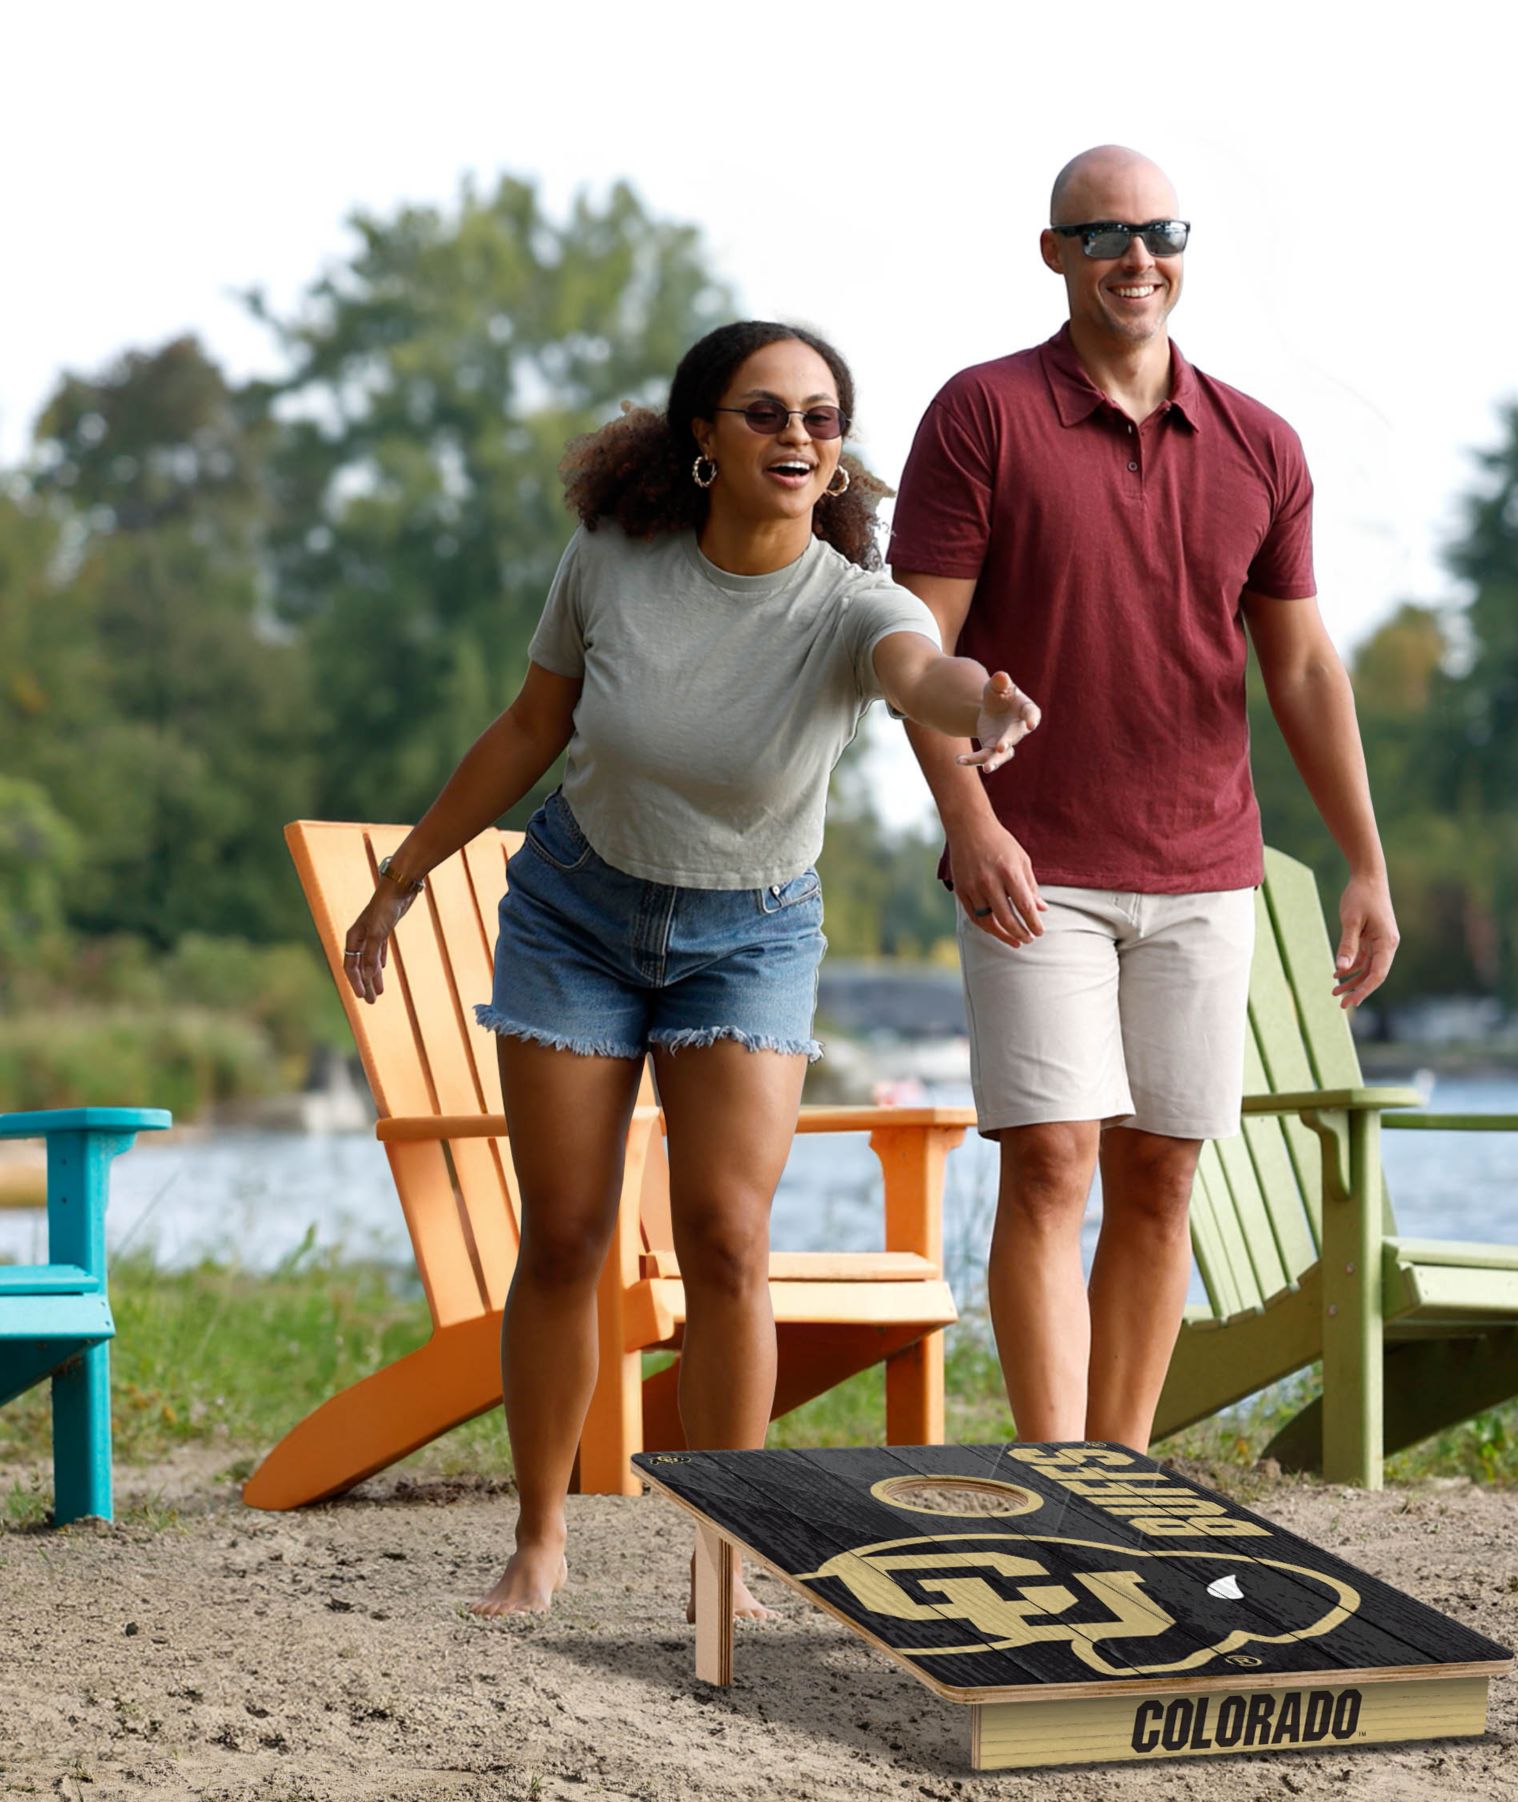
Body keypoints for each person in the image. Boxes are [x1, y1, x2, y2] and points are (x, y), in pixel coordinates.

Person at [341, 320, 1040, 1617]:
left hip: (751, 935)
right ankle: (540, 1539)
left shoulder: (853, 602)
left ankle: (728, 1553)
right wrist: (406, 876)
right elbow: (530, 727)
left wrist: (980, 707)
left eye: (821, 420)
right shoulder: (613, 561)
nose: (796, 438)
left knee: (728, 1240)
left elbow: (919, 675)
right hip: (575, 916)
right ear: (704, 440)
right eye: (766, 413)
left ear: (838, 459)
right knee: (565, 1234)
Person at [887, 145, 1397, 1452]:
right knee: (1052, 1162)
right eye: (1103, 235)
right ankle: (1058, 1475)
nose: (1135, 256)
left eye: (1158, 231)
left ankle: (1120, 1474)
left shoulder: (1260, 444)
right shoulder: (980, 415)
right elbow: (911, 653)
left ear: (1184, 248)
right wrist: (970, 821)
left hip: (1205, 868)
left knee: (1161, 1174)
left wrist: (1364, 863)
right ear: (1053, 254)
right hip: (1034, 863)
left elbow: (1300, 665)